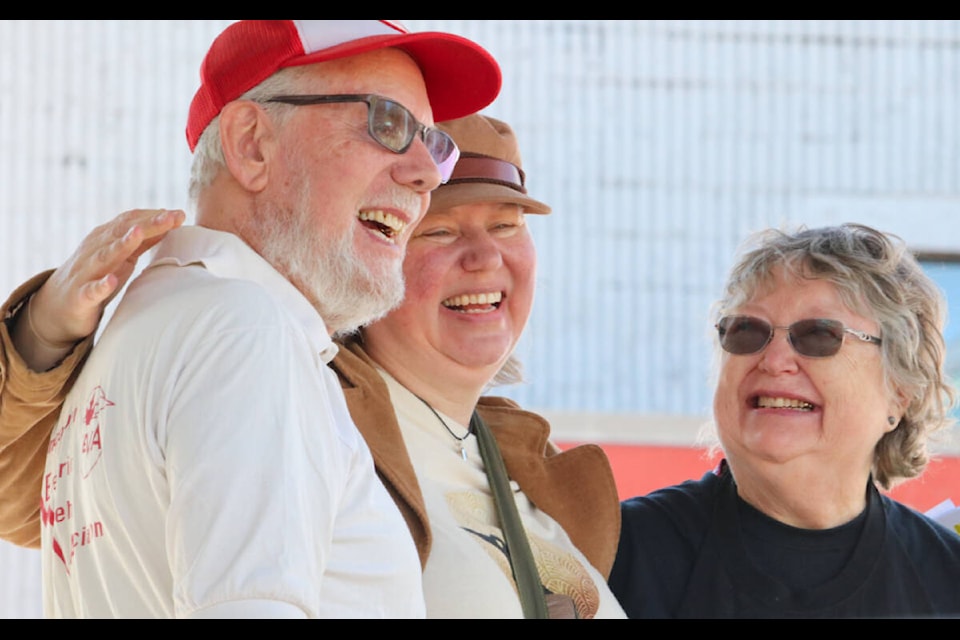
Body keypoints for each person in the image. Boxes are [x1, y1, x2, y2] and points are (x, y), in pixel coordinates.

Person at [0, 112, 626, 615]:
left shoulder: (515, 455)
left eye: (508, 224)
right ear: (374, 250)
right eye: (437, 232)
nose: (485, 257)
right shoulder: (286, 391)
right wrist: (39, 336)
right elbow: (48, 493)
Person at [0, 19, 502, 618]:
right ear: (251, 145)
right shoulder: (247, 333)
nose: (425, 175)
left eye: (435, 143)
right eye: (387, 124)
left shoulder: (153, 329)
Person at [608, 222, 960, 618]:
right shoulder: (614, 558)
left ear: (899, 390)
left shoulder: (947, 581)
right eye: (746, 331)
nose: (773, 361)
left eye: (818, 335)